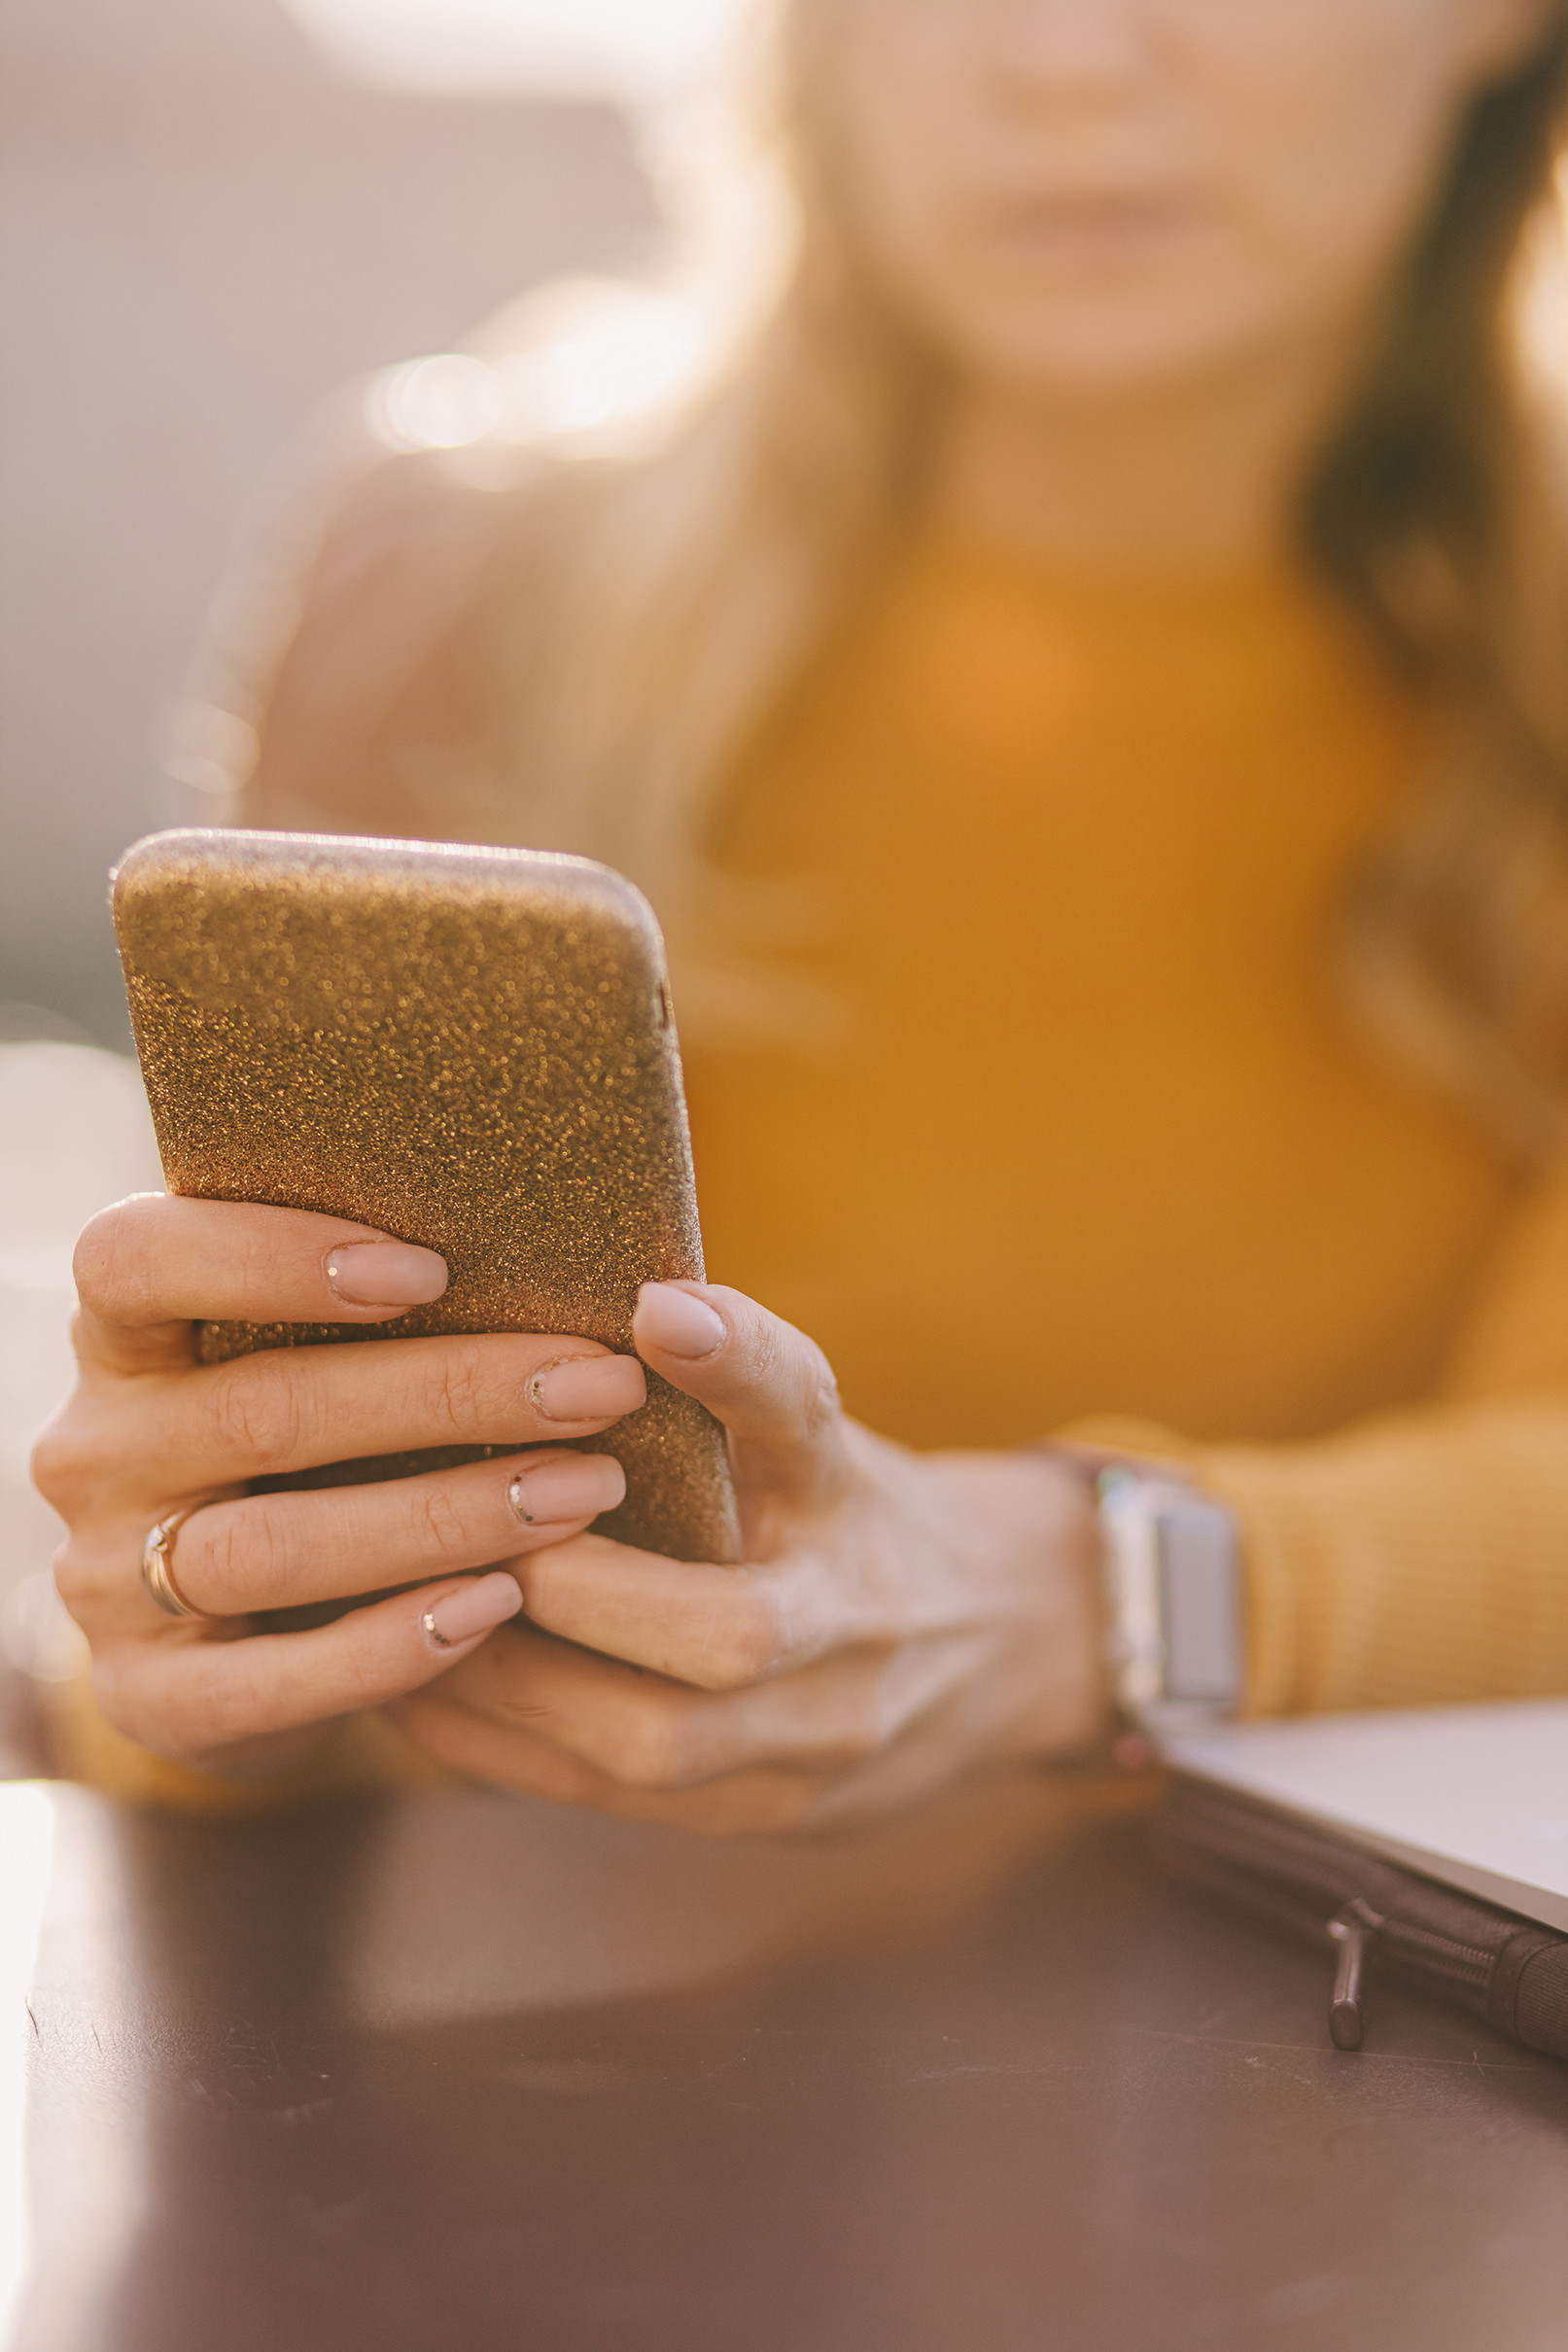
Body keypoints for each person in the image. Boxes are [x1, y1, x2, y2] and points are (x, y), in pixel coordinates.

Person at [33, 0, 1568, 1831]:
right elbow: (227, 1660)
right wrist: (198, 1630)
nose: (1064, 62)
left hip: (1299, 1994)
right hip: (518, 1961)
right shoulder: (459, 581)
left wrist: (1078, 1597)